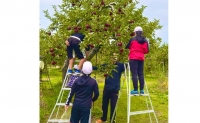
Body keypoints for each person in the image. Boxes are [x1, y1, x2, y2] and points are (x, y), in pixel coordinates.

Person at [96, 53, 126, 123]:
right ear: (110, 58)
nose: (113, 58)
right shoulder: (107, 65)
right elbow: (98, 67)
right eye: (112, 57)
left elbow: (129, 65)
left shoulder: (120, 66)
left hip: (115, 90)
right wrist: (87, 65)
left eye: (115, 57)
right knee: (104, 105)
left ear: (117, 58)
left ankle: (112, 120)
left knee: (113, 106)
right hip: (106, 89)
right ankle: (104, 118)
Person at [125, 26, 149, 95]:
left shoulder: (132, 39)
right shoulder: (145, 40)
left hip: (133, 58)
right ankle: (141, 90)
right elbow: (146, 50)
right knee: (141, 74)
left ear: (135, 32)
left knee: (134, 73)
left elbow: (128, 47)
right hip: (141, 58)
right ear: (141, 32)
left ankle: (135, 90)